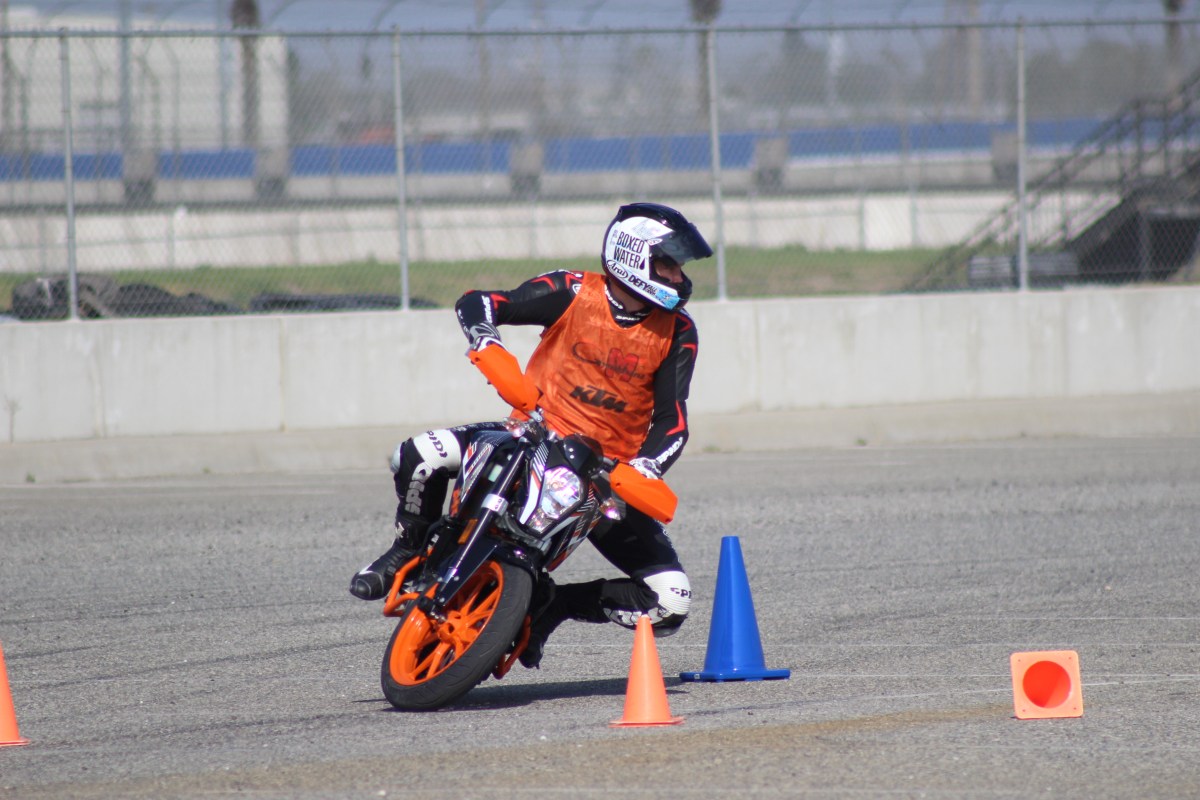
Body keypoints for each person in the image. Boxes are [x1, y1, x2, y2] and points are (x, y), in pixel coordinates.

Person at [349, 202, 712, 669]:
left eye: (680, 266)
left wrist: (646, 466)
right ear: (633, 256)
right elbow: (480, 302)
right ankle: (408, 548)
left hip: (602, 475)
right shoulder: (573, 290)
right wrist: (486, 341)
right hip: (530, 434)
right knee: (418, 454)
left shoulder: (679, 331)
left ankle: (554, 605)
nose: (679, 276)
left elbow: (672, 419)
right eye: (668, 264)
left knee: (670, 601)